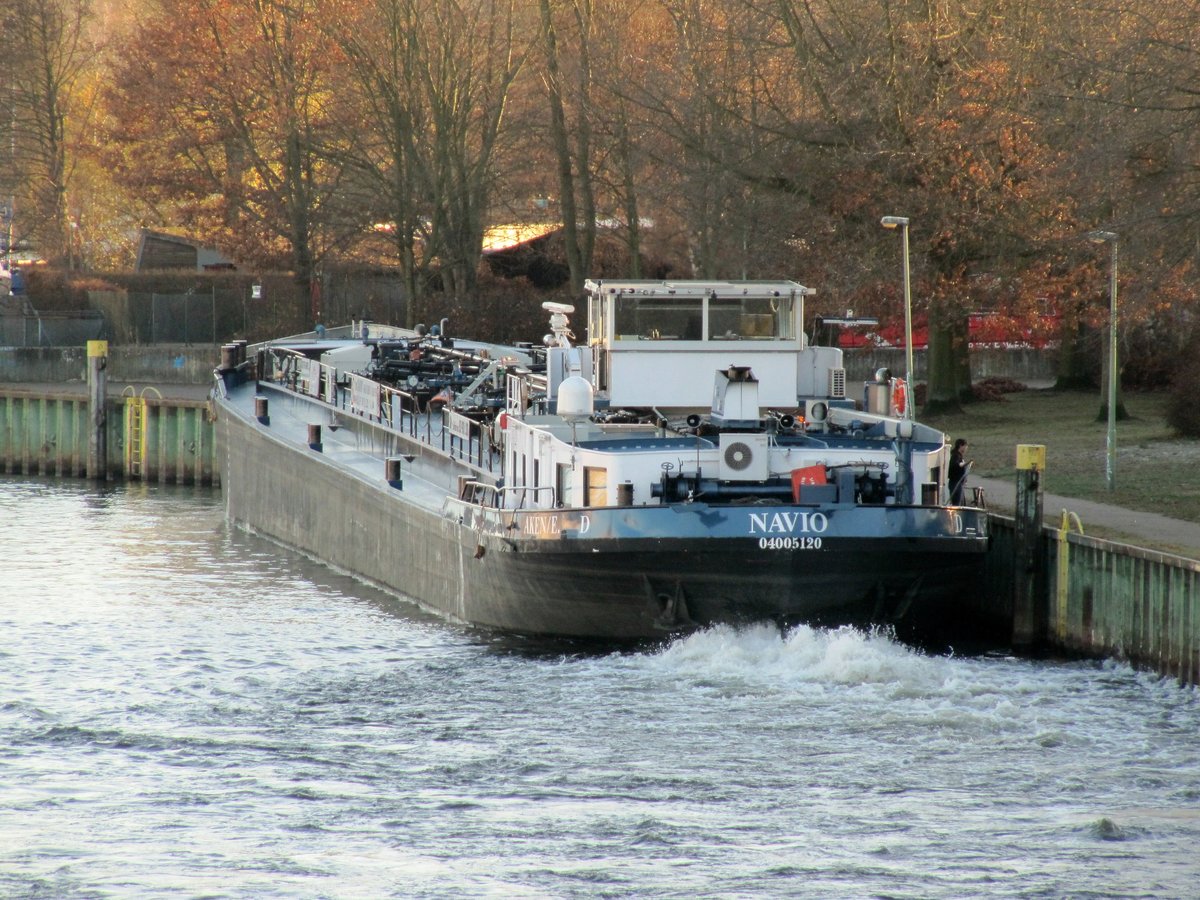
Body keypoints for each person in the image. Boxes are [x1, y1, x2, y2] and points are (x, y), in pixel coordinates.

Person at [949, 438, 971, 505]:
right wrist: (964, 464)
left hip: (959, 483)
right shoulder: (956, 456)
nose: (966, 448)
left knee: (960, 503)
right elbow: (956, 465)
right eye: (965, 446)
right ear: (961, 446)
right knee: (956, 504)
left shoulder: (959, 456)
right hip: (956, 484)